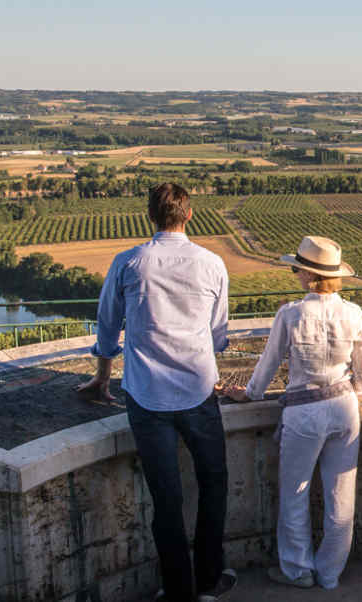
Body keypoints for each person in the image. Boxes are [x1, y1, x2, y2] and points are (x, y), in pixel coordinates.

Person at [76, 183, 236, 602]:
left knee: (166, 499)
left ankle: (178, 590)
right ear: (188, 214)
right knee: (214, 482)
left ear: (151, 215)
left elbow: (108, 325)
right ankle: (210, 576)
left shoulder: (129, 262)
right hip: (199, 391)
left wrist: (102, 374)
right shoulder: (212, 263)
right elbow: (218, 333)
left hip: (146, 396)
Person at [225, 235, 362, 590]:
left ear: (308, 275)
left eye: (297, 270)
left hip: (303, 413)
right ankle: (330, 573)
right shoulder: (354, 313)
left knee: (295, 494)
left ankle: (297, 570)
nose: (295, 275)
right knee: (342, 499)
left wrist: (249, 394)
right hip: (344, 408)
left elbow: (269, 363)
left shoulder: (291, 314)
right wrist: (352, 391)